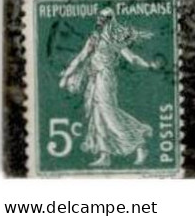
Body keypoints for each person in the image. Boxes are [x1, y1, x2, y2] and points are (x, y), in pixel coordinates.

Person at [59, 9, 161, 168]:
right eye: (99, 17)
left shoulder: (114, 39)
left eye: (104, 18)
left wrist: (148, 65)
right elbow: (81, 57)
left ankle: (139, 145)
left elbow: (131, 58)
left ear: (110, 20)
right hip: (94, 79)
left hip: (106, 79)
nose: (100, 20)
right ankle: (104, 155)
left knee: (110, 115)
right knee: (98, 117)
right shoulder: (94, 38)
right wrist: (66, 75)